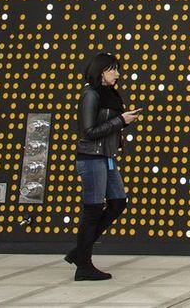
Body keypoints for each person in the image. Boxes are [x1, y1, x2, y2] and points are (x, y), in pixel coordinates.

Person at [68, 53, 141, 281]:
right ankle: (83, 265)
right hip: (91, 158)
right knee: (92, 210)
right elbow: (88, 132)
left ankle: (79, 252)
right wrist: (121, 121)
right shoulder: (90, 94)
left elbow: (107, 125)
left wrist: (123, 121)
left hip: (106, 157)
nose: (117, 74)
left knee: (118, 202)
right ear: (101, 72)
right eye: (113, 69)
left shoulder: (109, 94)